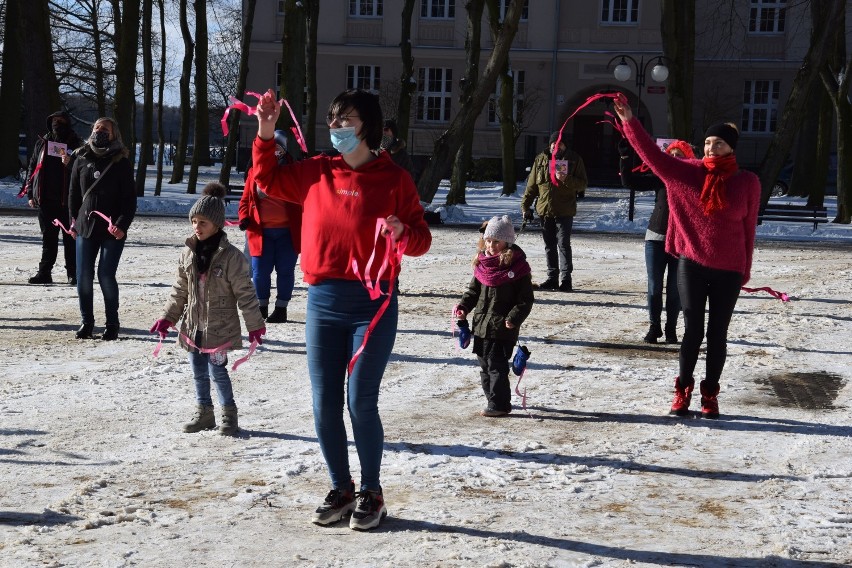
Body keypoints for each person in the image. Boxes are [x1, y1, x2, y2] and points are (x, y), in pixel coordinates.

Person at [252, 88, 432, 530]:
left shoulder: (395, 179)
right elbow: (267, 180)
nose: (336, 127)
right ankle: (342, 487)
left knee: (359, 401)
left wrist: (402, 232)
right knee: (324, 403)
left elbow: (423, 239)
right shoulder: (316, 172)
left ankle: (373, 491)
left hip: (373, 305)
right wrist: (265, 129)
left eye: (346, 119)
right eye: (332, 119)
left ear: (367, 125)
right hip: (323, 302)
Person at [613, 97, 760, 419]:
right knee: (692, 330)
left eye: (718, 143)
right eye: (707, 142)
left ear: (731, 148)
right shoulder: (686, 173)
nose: (710, 148)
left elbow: (749, 229)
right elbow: (651, 155)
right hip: (691, 264)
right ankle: (683, 389)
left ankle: (710, 394)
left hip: (729, 269)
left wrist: (745, 269)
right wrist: (629, 122)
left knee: (717, 333)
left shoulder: (747, 182)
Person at [150, 182, 266, 436]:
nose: (196, 227)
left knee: (218, 373)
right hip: (193, 326)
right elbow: (180, 290)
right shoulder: (188, 253)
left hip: (219, 328)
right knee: (198, 373)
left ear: (217, 224)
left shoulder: (232, 257)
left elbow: (245, 293)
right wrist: (167, 318)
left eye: (202, 222)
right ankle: (204, 412)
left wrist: (255, 324)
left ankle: (228, 414)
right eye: (194, 221)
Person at [455, 215, 534, 417]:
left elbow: (525, 300)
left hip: (502, 327)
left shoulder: (517, 269)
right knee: (484, 366)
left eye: (496, 241)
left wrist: (513, 318)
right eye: (488, 240)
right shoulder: (483, 265)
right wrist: (464, 306)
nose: (490, 245)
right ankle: (492, 400)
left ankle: (500, 404)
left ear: (507, 242)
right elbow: (473, 292)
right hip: (481, 325)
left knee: (496, 366)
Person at [619, 138, 695, 344]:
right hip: (655, 238)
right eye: (671, 154)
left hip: (681, 243)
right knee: (654, 286)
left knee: (675, 289)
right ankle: (655, 327)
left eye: (680, 155)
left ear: (688, 158)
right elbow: (629, 182)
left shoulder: (692, 181)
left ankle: (671, 329)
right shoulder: (661, 178)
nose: (675, 158)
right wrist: (625, 157)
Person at [68, 117, 137, 341]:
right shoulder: (81, 157)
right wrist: (72, 221)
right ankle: (86, 322)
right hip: (85, 226)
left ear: (114, 134)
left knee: (106, 275)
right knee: (83, 276)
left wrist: (121, 225)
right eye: (97, 127)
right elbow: (73, 194)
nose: (100, 131)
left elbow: (129, 200)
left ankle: (112, 324)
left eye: (105, 129)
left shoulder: (121, 161)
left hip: (111, 229)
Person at [238, 129, 302, 323]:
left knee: (285, 271)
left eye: (279, 147)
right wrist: (244, 218)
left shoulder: (294, 170)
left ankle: (281, 308)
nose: (275, 151)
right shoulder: (254, 171)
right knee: (260, 271)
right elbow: (245, 200)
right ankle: (261, 307)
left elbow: (305, 199)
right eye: (272, 147)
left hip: (287, 233)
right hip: (260, 232)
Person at [521, 131, 587, 292]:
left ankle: (566, 280)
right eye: (553, 144)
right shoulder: (541, 159)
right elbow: (531, 186)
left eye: (560, 144)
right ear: (549, 145)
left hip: (565, 210)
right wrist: (525, 207)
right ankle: (552, 278)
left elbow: (583, 184)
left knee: (563, 244)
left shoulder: (574, 159)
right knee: (549, 246)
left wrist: (566, 179)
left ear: (565, 145)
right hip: (545, 210)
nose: (556, 147)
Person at [24, 111, 83, 285]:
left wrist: (71, 162)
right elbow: (32, 168)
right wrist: (30, 193)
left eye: (61, 121)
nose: (58, 124)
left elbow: (84, 170)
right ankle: (44, 273)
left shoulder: (77, 144)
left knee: (70, 240)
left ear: (68, 123)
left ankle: (73, 274)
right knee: (48, 240)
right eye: (54, 121)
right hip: (45, 201)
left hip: (68, 202)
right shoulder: (41, 143)